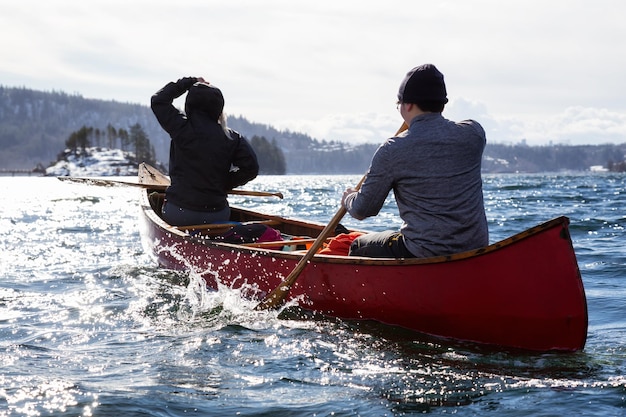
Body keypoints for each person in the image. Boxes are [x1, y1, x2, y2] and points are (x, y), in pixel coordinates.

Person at [341, 64, 488, 258]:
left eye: (398, 103)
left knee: (358, 246)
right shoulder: (474, 134)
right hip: (474, 250)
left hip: (424, 252)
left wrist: (349, 198)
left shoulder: (393, 149)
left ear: (407, 105)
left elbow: (362, 210)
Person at [151, 77, 259, 226]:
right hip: (217, 215)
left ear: (190, 104)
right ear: (218, 108)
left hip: (180, 213)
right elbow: (251, 169)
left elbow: (159, 100)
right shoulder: (232, 137)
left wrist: (190, 82)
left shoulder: (180, 128)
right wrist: (223, 183)